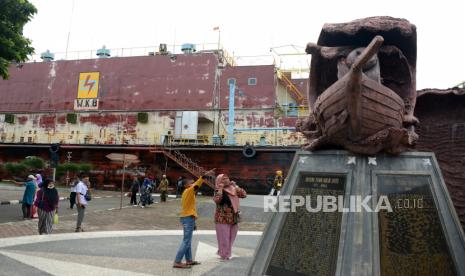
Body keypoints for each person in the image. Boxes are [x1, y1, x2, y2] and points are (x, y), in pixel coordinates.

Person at [173, 168, 216, 269]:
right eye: (190, 182)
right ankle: (177, 261)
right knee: (186, 241)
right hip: (187, 218)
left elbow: (189, 207)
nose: (192, 182)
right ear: (186, 185)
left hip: (188, 218)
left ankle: (189, 260)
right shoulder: (188, 191)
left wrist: (193, 223)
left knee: (187, 240)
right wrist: (205, 175)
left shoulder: (187, 192)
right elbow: (197, 184)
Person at [213, 174, 247, 260]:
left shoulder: (233, 188)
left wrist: (236, 186)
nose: (226, 180)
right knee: (224, 238)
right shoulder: (217, 190)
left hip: (234, 217)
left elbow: (243, 194)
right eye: (223, 179)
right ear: (219, 181)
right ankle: (225, 255)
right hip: (222, 218)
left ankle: (224, 252)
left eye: (227, 178)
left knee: (232, 237)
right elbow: (217, 200)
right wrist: (220, 189)